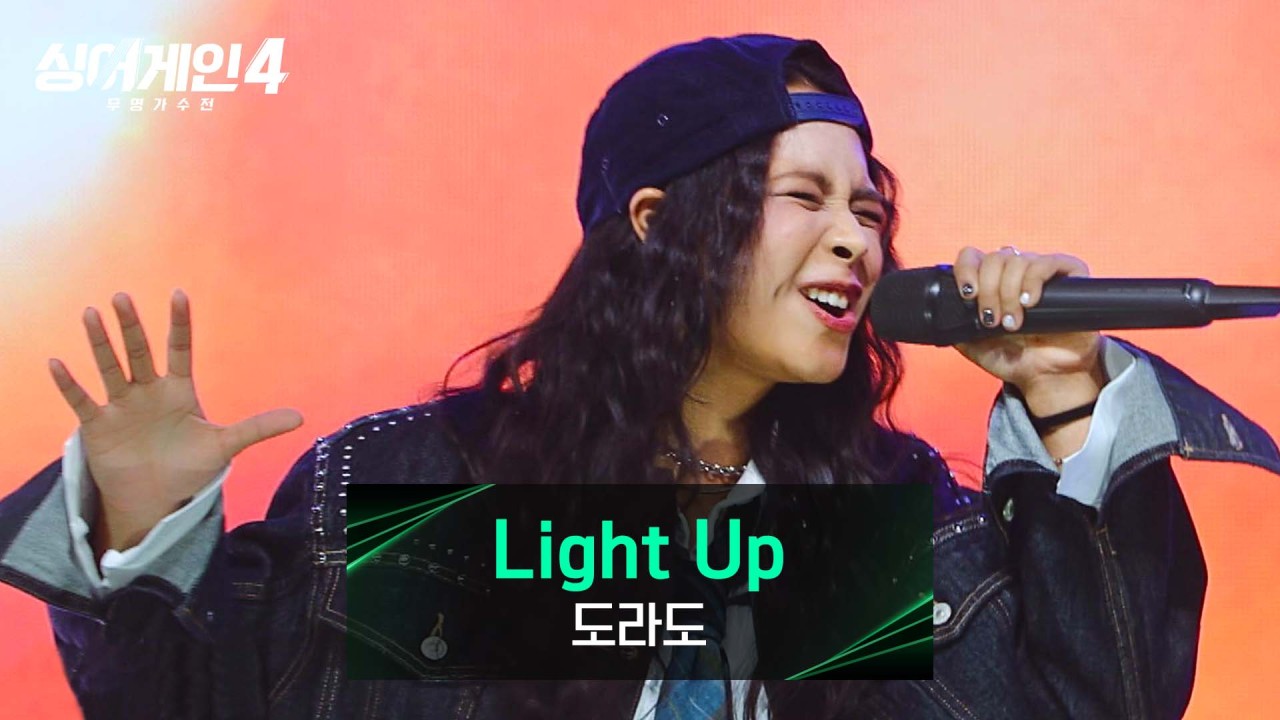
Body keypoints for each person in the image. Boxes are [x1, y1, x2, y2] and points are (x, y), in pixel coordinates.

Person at [1, 33, 1276, 720]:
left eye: (867, 208)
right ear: (660, 224)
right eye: (803, 196)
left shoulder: (878, 521)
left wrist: (1060, 390)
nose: (857, 240)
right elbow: (200, 705)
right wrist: (137, 534)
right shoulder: (426, 487)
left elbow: (1095, 707)